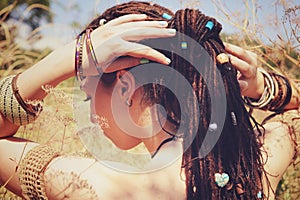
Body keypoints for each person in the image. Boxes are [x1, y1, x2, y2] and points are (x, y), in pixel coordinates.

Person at [0, 1, 298, 199]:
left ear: (126, 86)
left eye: (89, 94)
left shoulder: (99, 187)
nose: (90, 114)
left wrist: (76, 55)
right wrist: (262, 87)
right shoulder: (257, 165)